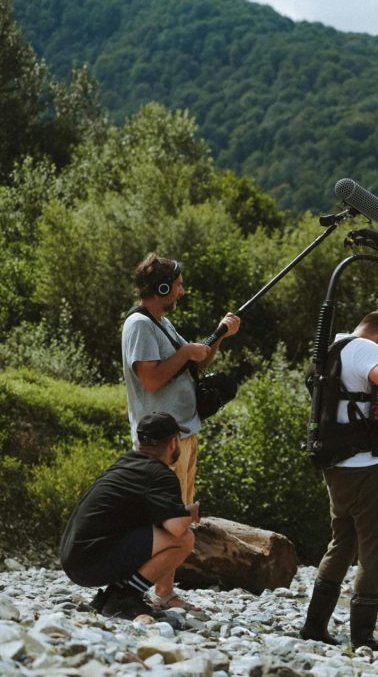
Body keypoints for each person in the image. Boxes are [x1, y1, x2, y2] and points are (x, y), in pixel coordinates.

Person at [301, 310, 378, 649]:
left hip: (337, 465)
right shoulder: (365, 348)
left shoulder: (332, 348)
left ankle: (315, 626)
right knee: (377, 549)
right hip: (367, 465)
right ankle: (363, 637)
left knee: (343, 542)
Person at [122, 253, 241, 506]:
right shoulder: (139, 325)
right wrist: (186, 352)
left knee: (185, 514)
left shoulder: (162, 323)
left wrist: (220, 334)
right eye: (178, 285)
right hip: (161, 445)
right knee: (169, 521)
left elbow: (195, 363)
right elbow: (151, 380)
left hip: (184, 433)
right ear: (162, 288)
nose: (182, 292)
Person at [59, 412, 200, 619]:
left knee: (151, 531)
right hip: (89, 564)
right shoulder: (160, 474)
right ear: (172, 443)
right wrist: (192, 511)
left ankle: (111, 596)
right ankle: (125, 597)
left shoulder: (125, 463)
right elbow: (177, 528)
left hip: (74, 558)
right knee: (184, 539)